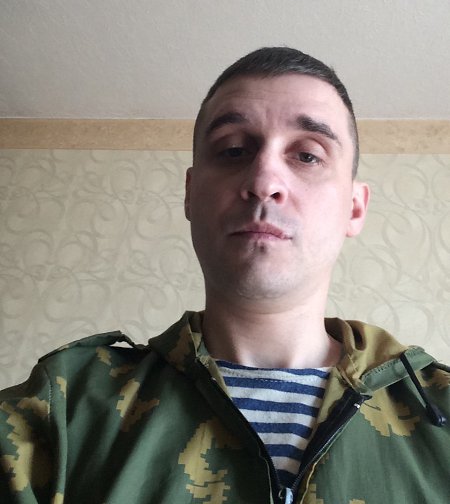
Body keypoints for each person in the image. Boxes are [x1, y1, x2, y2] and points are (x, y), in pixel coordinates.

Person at [0, 47, 449, 504]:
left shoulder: (443, 410)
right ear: (190, 194)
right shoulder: (63, 410)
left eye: (307, 155)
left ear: (354, 208)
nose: (264, 180)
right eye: (233, 150)